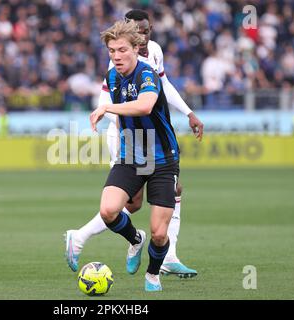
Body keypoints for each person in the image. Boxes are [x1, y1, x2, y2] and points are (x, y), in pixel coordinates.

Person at [65, 9, 203, 277]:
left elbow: (164, 85)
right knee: (129, 203)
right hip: (127, 137)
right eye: (138, 31)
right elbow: (110, 101)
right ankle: (81, 236)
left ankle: (168, 255)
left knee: (169, 190)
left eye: (146, 31)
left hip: (152, 139)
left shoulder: (153, 52)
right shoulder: (118, 60)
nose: (143, 36)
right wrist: (105, 111)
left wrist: (188, 112)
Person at [88, 19, 184, 291]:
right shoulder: (112, 77)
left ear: (136, 48)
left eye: (121, 50)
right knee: (108, 210)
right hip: (131, 156)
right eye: (111, 51)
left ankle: (153, 275)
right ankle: (134, 240)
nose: (116, 56)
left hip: (162, 159)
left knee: (160, 233)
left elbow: (145, 106)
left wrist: (107, 109)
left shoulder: (147, 74)